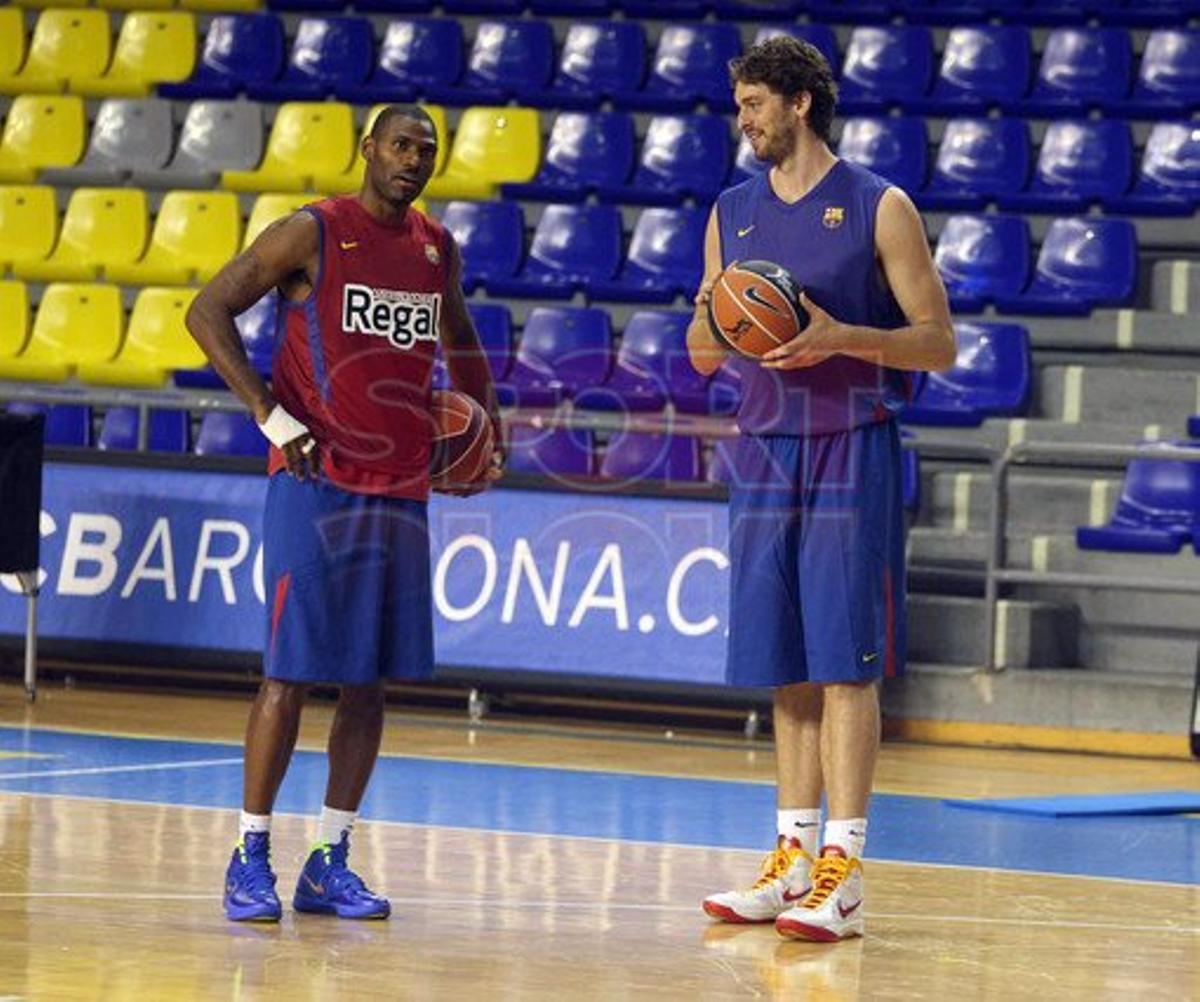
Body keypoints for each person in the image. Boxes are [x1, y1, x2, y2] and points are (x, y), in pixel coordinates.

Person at [186, 105, 501, 922]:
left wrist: (488, 432)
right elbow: (206, 309)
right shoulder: (313, 232)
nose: (414, 160)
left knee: (367, 682)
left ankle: (330, 858)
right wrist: (268, 413)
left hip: (399, 492)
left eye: (427, 151)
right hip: (315, 483)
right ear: (368, 149)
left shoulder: (437, 247)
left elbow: (461, 342)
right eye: (401, 145)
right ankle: (249, 853)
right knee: (288, 674)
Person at [690, 38, 955, 942]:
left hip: (851, 444)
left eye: (756, 102)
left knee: (844, 661)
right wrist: (712, 309)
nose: (745, 119)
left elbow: (938, 343)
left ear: (802, 104)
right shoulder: (730, 212)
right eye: (740, 105)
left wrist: (844, 335)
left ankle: (843, 872)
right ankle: (790, 857)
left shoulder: (881, 206)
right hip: (763, 449)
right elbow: (701, 348)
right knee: (784, 662)